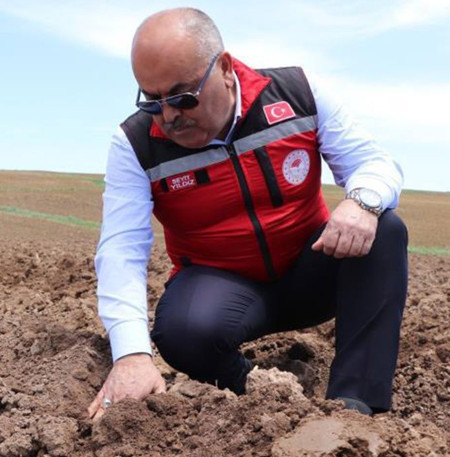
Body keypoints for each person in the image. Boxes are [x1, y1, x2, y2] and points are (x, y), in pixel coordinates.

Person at [88, 8, 407, 421]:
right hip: (224, 291)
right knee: (182, 332)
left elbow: (375, 163)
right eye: (152, 100)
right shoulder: (134, 144)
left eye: (182, 97)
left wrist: (361, 202)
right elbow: (121, 249)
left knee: (384, 228)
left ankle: (356, 406)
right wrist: (130, 355)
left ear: (223, 67)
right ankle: (259, 390)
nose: (168, 117)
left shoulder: (297, 93)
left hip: (313, 268)